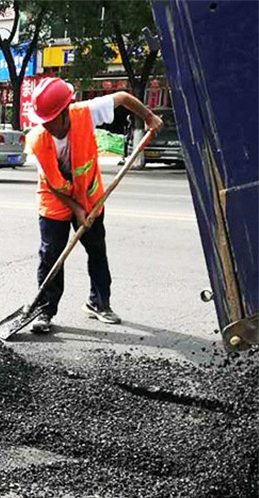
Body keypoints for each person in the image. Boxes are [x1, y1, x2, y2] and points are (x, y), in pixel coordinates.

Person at [26, 78, 163, 334]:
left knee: (97, 251)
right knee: (51, 254)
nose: (46, 124)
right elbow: (54, 184)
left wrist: (149, 117)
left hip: (90, 197)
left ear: (65, 111)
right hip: (55, 200)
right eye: (42, 120)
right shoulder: (37, 139)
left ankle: (98, 303)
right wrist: (76, 209)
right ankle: (44, 310)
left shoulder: (85, 113)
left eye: (50, 119)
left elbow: (122, 98)